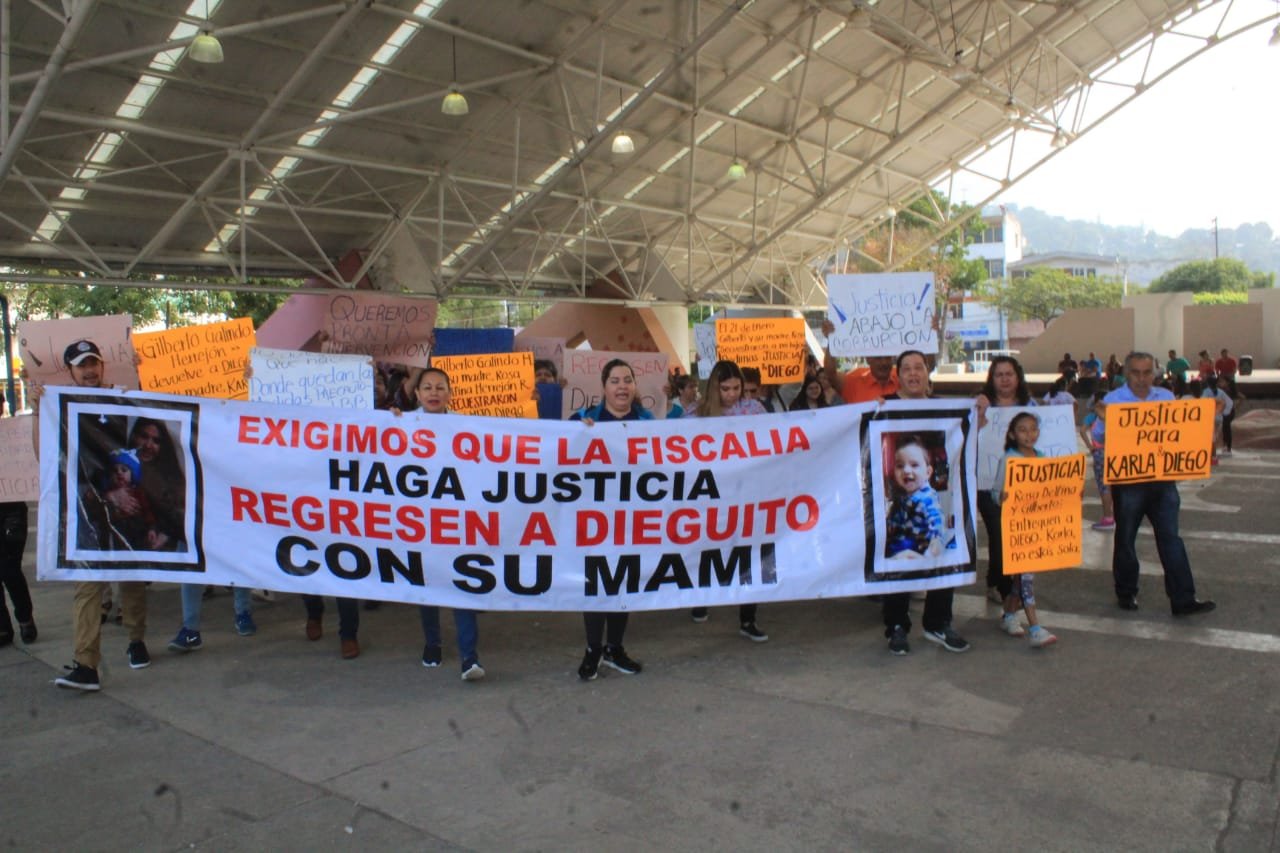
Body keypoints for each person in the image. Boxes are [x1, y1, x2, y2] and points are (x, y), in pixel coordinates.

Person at [30, 339, 150, 690]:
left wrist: (146, 377)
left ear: (102, 366)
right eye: (82, 365)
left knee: (131, 578)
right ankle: (86, 663)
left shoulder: (121, 397)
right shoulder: (60, 406)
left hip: (124, 508)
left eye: (94, 363)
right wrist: (39, 411)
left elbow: (146, 426)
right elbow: (44, 456)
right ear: (70, 371)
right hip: (87, 512)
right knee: (87, 586)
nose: (89, 370)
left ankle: (136, 639)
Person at [1104, 352, 1215, 616]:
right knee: (1126, 539)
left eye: (1147, 372)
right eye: (1136, 372)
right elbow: (1100, 437)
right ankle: (1126, 592)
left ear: (1155, 373)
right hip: (1128, 482)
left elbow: (1180, 433)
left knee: (1171, 539)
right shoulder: (1113, 401)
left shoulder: (1165, 397)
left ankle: (1183, 598)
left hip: (1163, 482)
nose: (1142, 379)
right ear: (1125, 373)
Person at [397, 367, 485, 681]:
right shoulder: (402, 426)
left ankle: (469, 657)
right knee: (429, 586)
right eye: (428, 387)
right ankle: (432, 643)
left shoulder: (467, 426)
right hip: (420, 521)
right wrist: (388, 424)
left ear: (450, 393)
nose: (434, 392)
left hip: (458, 520)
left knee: (463, 584)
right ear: (417, 394)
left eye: (440, 387)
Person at [881, 350, 970, 655]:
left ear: (927, 371)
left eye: (919, 367)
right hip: (897, 513)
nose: (913, 373)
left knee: (943, 558)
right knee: (896, 562)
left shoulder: (946, 408)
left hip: (943, 500)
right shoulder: (884, 408)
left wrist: (979, 414)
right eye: (906, 368)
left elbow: (967, 438)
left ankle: (938, 623)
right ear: (898, 375)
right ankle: (896, 626)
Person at [569, 358, 649, 680]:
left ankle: (615, 648)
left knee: (623, 584)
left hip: (631, 518)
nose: (622, 386)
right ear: (603, 387)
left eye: (627, 380)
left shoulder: (647, 423)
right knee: (596, 582)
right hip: (594, 518)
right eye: (615, 381)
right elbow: (557, 455)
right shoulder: (584, 420)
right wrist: (577, 433)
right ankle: (593, 649)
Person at [689, 360, 769, 641]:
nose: (733, 394)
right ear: (713, 387)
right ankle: (701, 598)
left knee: (747, 554)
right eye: (726, 388)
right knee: (707, 550)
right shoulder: (694, 415)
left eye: (737, 387)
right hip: (708, 497)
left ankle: (748, 617)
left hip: (746, 494)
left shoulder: (755, 410)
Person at [993, 413, 1058, 647]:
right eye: (1023, 430)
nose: (1029, 434)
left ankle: (1009, 615)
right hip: (1017, 529)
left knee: (1020, 581)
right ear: (1012, 434)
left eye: (1033, 429)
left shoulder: (1042, 458)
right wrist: (1004, 497)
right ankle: (1035, 628)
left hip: (1036, 527)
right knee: (1027, 578)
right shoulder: (1009, 459)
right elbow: (995, 493)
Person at [974, 355, 1034, 603]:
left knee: (1016, 538)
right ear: (992, 379)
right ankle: (1005, 588)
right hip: (988, 486)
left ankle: (995, 581)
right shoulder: (980, 406)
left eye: (1009, 374)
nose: (1005, 379)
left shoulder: (1031, 407)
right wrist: (978, 415)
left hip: (1024, 486)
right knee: (999, 537)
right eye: (999, 375)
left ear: (1018, 377)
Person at [0, 393, 36, 648]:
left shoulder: (13, 435)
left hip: (11, 510)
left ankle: (24, 618)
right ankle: (3, 628)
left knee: (9, 567)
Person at [884, 435, 944, 560]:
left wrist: (934, 546)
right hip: (898, 543)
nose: (906, 470)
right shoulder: (901, 497)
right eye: (900, 466)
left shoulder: (928, 497)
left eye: (914, 465)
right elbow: (893, 522)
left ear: (928, 472)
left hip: (918, 547)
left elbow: (937, 523)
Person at [820, 319, 897, 403]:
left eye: (888, 358)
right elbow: (831, 375)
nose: (884, 362)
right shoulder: (855, 380)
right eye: (878, 358)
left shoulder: (903, 378)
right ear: (868, 359)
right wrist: (832, 339)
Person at [1079, 391, 1115, 530]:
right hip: (1114, 454)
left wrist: (1090, 447)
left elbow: (1082, 431)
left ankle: (1108, 517)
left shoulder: (1093, 417)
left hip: (1099, 453)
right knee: (1115, 487)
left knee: (1104, 487)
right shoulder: (1115, 416)